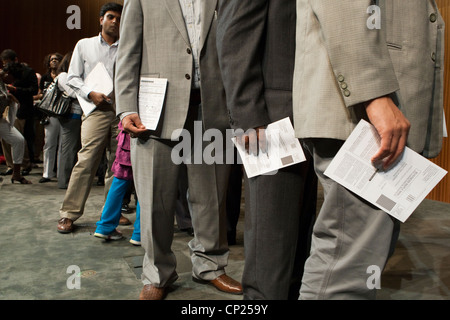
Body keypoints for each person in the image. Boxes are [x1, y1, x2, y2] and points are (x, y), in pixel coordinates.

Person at [291, 0, 445, 299]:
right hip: (362, 113)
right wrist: (373, 94)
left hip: (368, 111)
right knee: (345, 270)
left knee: (356, 262)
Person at [115, 0, 242, 300]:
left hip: (211, 108)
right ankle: (157, 273)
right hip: (154, 113)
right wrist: (125, 107)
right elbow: (128, 51)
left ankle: (211, 265)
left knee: (211, 197)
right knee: (155, 199)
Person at [216, 0, 318, 299]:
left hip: (309, 116)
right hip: (269, 120)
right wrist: (249, 118)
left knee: (300, 233)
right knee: (271, 241)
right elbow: (233, 38)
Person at [57, 2, 123, 234]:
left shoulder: (128, 46)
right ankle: (69, 213)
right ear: (101, 19)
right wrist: (89, 94)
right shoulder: (84, 45)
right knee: (86, 160)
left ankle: (112, 211)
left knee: (117, 164)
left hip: (122, 112)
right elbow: (72, 77)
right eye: (110, 17)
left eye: (118, 18)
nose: (115, 21)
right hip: (96, 110)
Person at [94, 121, 141, 245]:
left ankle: (105, 226)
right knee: (145, 183)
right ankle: (140, 234)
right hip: (146, 130)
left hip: (128, 133)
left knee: (120, 180)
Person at [0, 49, 38, 176]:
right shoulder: (2, 77)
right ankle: (11, 166)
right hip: (3, 113)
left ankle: (19, 170)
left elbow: (32, 90)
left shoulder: (26, 73)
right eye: (11, 79)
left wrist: (13, 93)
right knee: (8, 140)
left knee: (18, 139)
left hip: (11, 113)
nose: (12, 81)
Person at [55, 51, 82, 189]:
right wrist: (85, 90)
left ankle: (67, 179)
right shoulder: (64, 76)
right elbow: (72, 93)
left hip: (76, 115)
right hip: (70, 115)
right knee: (68, 149)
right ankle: (64, 181)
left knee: (70, 148)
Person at [0, 78, 32, 184]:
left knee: (18, 140)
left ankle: (17, 174)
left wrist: (10, 97)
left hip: (0, 120)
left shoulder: (2, 84)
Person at [38, 53, 63, 183]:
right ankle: (47, 173)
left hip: (63, 112)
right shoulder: (45, 77)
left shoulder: (64, 76)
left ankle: (61, 173)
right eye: (51, 59)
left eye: (56, 59)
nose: (53, 61)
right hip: (49, 113)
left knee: (62, 145)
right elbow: (40, 94)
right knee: (49, 143)